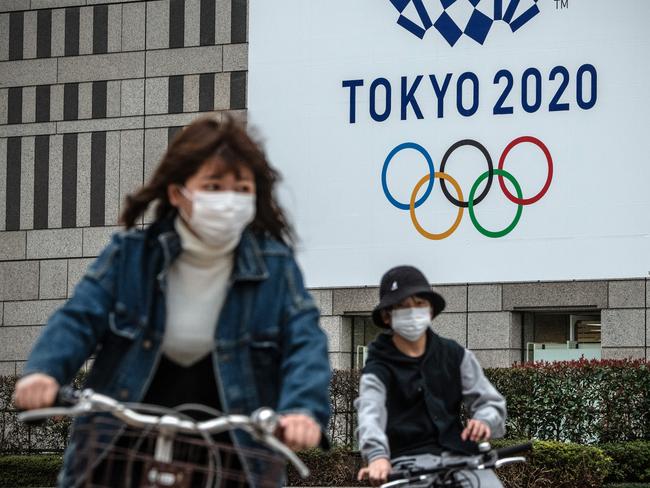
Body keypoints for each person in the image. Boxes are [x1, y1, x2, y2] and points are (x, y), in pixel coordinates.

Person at [13, 116, 331, 487]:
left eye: (241, 189)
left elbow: (305, 341)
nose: (229, 201)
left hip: (234, 454)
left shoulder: (275, 266)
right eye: (213, 186)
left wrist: (302, 410)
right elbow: (79, 317)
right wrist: (44, 373)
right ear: (178, 193)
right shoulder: (131, 256)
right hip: (121, 447)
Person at [355, 265, 506, 487]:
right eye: (403, 307)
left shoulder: (456, 355)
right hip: (406, 465)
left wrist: (485, 421)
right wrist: (377, 456)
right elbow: (370, 414)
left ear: (430, 310)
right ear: (387, 316)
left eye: (419, 304)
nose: (413, 312)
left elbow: (490, 402)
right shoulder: (377, 369)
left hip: (462, 459)